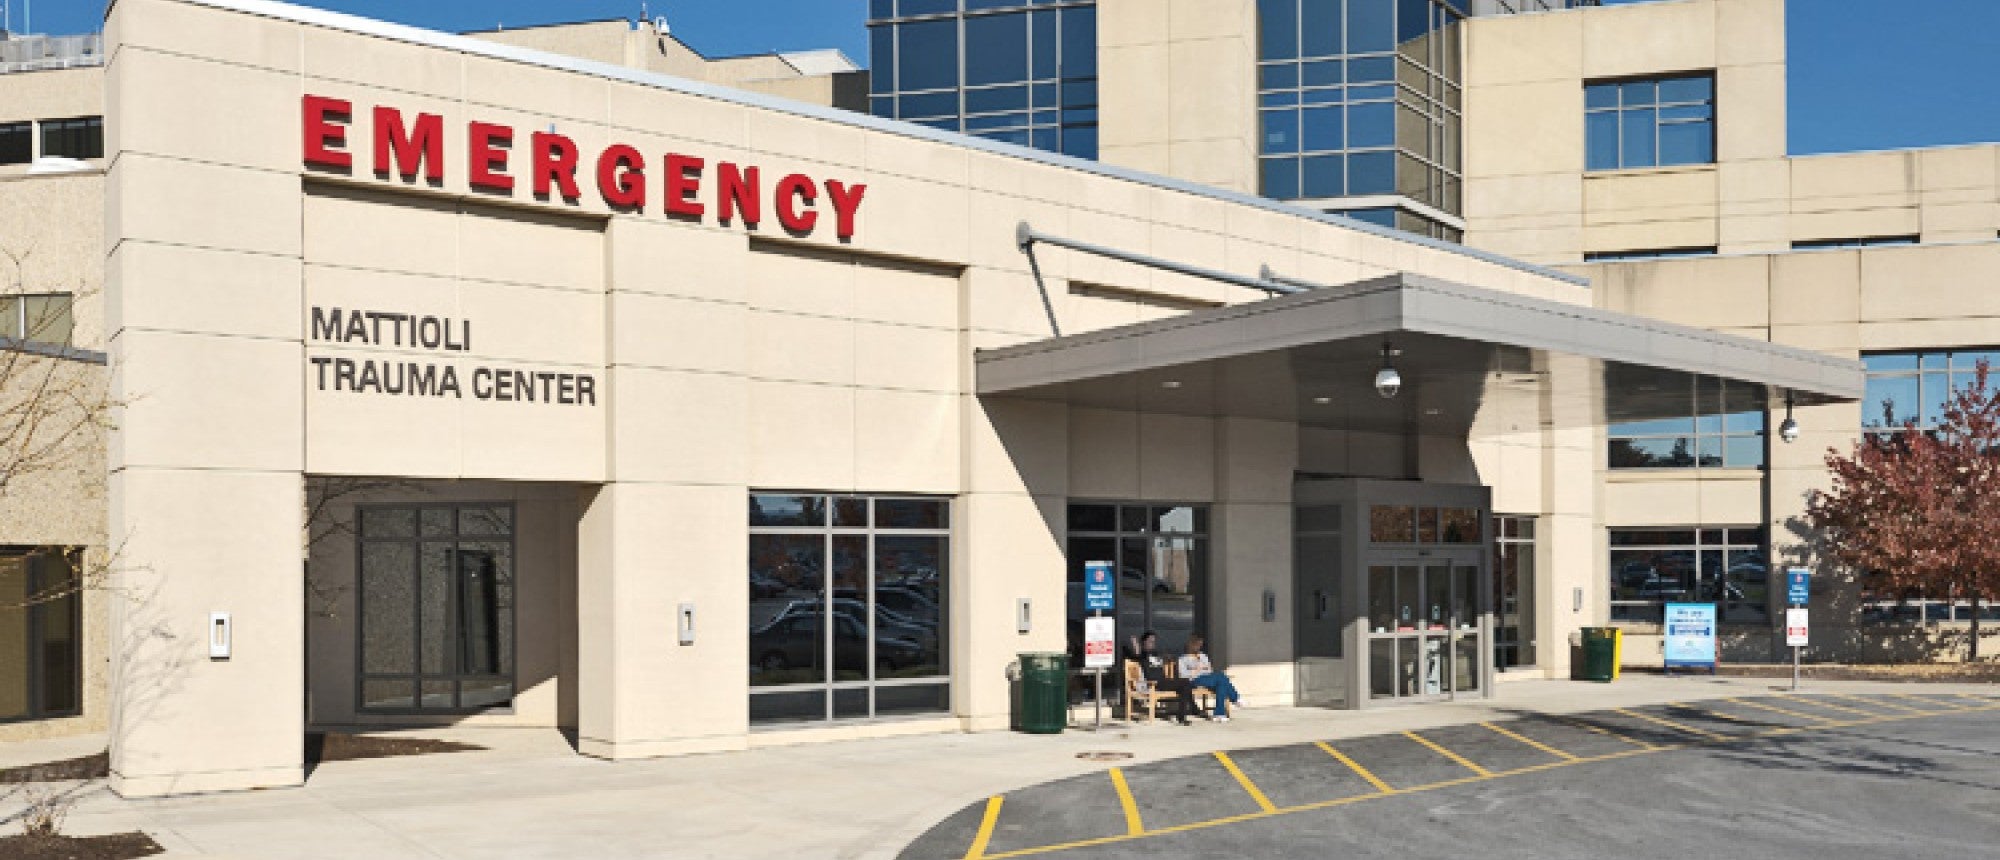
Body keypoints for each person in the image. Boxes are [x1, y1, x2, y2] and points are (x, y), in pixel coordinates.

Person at [1124, 630, 1194, 725]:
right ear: (1144, 642)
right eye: (1150, 641)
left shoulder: (1156, 654)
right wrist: (1135, 644)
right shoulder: (1142, 655)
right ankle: (1186, 714)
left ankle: (1187, 712)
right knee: (1185, 684)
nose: (1152, 643)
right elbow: (1135, 654)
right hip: (1154, 684)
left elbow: (1168, 659)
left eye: (1154, 641)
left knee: (1186, 684)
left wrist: (1169, 658)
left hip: (1163, 681)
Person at [1177, 633, 1243, 722]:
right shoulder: (1183, 659)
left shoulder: (1203, 656)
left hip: (1207, 678)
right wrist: (1195, 670)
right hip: (1194, 680)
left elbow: (1209, 670)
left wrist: (1202, 668)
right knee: (1221, 677)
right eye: (1197, 645)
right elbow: (1183, 675)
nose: (1199, 647)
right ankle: (1234, 699)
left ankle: (1219, 714)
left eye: (1200, 645)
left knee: (1221, 684)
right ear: (1191, 645)